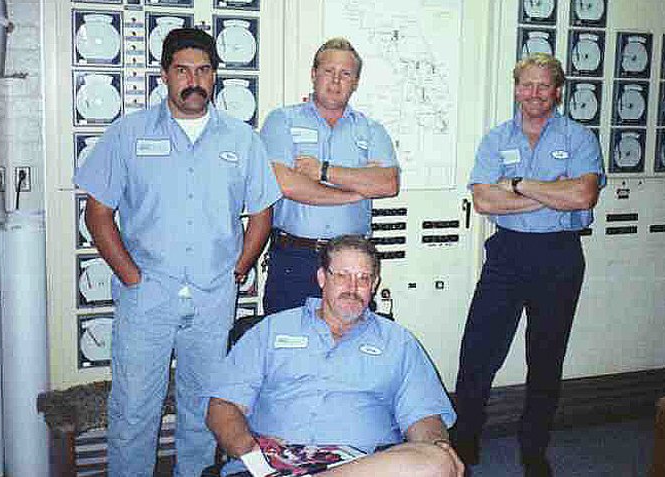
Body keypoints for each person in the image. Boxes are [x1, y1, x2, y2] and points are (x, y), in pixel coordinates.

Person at [74, 28, 281, 477]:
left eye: (203, 70)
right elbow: (98, 214)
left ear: (215, 77)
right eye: (183, 70)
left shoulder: (242, 140)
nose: (194, 80)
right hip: (147, 299)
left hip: (211, 300)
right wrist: (132, 277)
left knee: (203, 411)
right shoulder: (128, 133)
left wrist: (238, 269)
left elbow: (262, 213)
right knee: (132, 412)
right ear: (165, 75)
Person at [453, 53, 605, 477]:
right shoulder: (496, 139)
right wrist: (551, 190)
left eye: (543, 86)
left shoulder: (579, 138)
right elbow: (483, 200)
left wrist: (517, 184)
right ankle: (465, 438)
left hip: (559, 254)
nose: (534, 93)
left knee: (546, 356)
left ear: (557, 92)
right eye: (526, 84)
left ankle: (534, 448)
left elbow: (582, 197)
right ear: (516, 88)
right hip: (508, 252)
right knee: (479, 350)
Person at [205, 235, 463, 477]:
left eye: (363, 278)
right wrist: (252, 453)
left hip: (363, 467)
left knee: (438, 461)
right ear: (322, 278)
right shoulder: (271, 331)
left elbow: (424, 416)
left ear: (374, 285)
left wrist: (437, 444)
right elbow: (223, 405)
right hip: (272, 464)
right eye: (342, 276)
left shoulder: (398, 342)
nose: (353, 288)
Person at [260, 37, 400, 314]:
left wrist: (322, 170)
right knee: (287, 349)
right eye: (328, 71)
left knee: (350, 349)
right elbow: (285, 183)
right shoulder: (282, 121)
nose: (336, 81)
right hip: (294, 259)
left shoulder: (372, 130)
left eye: (345, 74)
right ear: (314, 74)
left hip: (353, 263)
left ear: (356, 82)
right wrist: (357, 190)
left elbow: (388, 183)